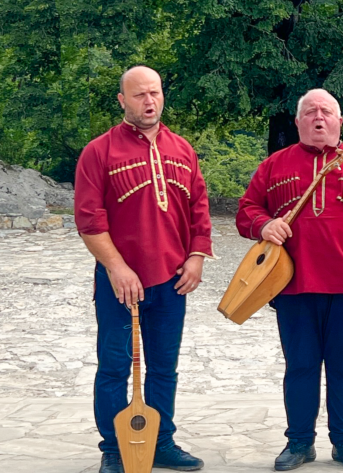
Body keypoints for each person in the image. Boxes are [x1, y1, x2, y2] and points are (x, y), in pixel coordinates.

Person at [236, 89, 343, 471]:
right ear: (298, 122)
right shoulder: (274, 166)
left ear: (340, 121)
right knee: (300, 367)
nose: (319, 118)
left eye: (326, 112)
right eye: (310, 112)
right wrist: (265, 224)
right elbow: (246, 211)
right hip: (292, 286)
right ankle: (299, 442)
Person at [74, 65, 214, 473]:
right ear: (122, 100)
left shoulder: (183, 149)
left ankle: (161, 442)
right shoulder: (99, 152)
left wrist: (196, 257)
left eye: (154, 93)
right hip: (119, 283)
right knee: (114, 368)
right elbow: (89, 220)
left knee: (164, 368)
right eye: (139, 95)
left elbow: (199, 209)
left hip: (172, 281)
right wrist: (117, 267)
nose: (149, 101)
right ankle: (114, 448)